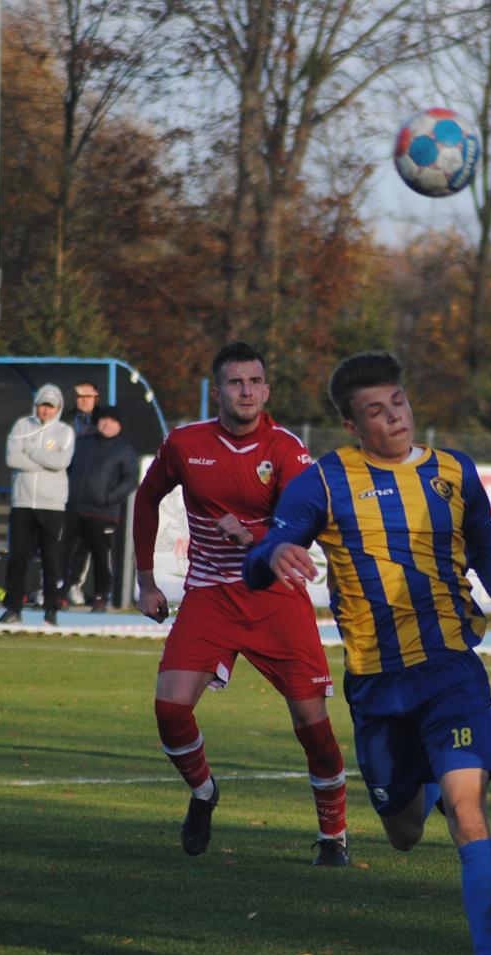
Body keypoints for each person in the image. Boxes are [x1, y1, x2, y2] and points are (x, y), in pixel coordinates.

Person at [244, 350, 491, 955]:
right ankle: (424, 774)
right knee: (404, 830)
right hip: (377, 687)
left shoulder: (454, 470)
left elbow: (484, 539)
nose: (394, 416)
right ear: (352, 423)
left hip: (452, 670)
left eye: (398, 401)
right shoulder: (324, 481)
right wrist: (276, 554)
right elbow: (266, 549)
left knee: (468, 810)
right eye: (376, 410)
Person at [133, 342, 351, 867]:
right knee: (169, 709)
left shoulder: (287, 450)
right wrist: (145, 580)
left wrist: (253, 537)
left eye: (254, 382)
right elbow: (146, 497)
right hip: (209, 596)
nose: (246, 391)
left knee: (312, 724)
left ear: (266, 390)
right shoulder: (185, 443)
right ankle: (204, 794)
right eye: (236, 382)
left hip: (276, 599)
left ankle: (333, 836)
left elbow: (304, 527)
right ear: (217, 390)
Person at [0, 384, 75, 626]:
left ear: (58, 408)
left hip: (51, 506)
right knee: (18, 558)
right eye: (43, 405)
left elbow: (61, 461)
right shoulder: (22, 426)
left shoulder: (64, 431)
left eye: (51, 407)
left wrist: (31, 452)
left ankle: (51, 611)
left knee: (51, 560)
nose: (46, 411)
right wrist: (43, 460)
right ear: (36, 406)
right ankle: (12, 609)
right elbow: (12, 458)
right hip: (22, 503)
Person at [63, 406, 134, 612]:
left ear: (119, 425)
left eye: (112, 421)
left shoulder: (124, 449)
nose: (107, 424)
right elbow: (67, 469)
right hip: (74, 509)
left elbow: (129, 479)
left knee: (101, 556)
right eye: (103, 420)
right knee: (67, 553)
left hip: (103, 513)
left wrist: (109, 498)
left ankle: (101, 596)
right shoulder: (82, 443)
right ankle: (61, 592)